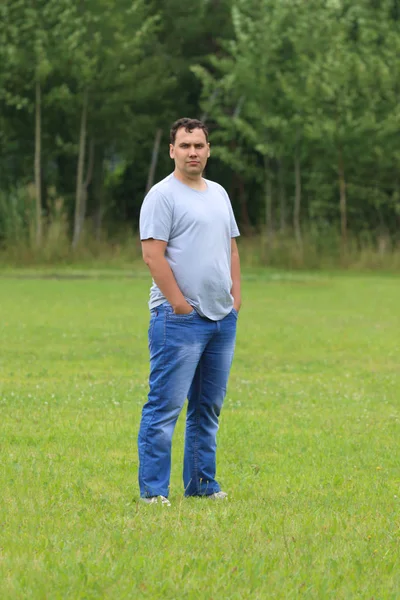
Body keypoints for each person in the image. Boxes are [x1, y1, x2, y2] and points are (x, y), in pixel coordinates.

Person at [138, 117, 241, 505]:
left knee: (207, 409)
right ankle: (153, 494)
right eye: (185, 146)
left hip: (221, 318)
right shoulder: (162, 196)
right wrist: (180, 305)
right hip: (178, 319)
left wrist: (236, 298)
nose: (193, 152)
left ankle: (201, 484)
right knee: (164, 408)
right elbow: (152, 255)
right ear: (172, 151)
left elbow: (231, 247)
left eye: (199, 145)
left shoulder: (218, 193)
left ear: (208, 150)